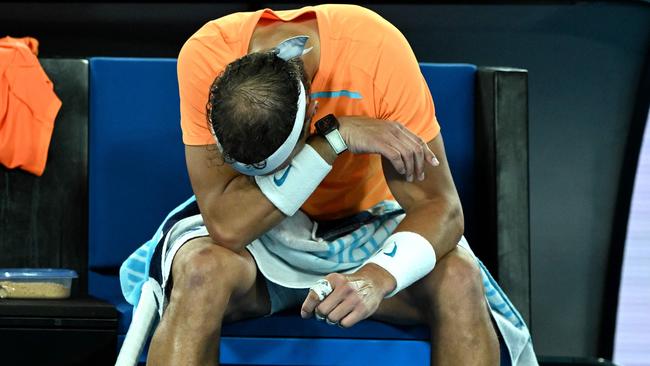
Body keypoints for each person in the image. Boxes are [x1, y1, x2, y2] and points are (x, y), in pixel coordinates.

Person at [118, 4, 537, 366]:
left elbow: (441, 208)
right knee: (198, 273)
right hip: (259, 239)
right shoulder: (206, 54)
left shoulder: (377, 51)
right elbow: (227, 225)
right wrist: (333, 140)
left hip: (368, 228)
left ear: (313, 107)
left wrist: (375, 277)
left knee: (461, 279)